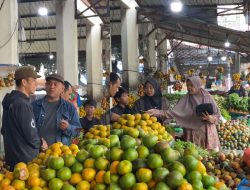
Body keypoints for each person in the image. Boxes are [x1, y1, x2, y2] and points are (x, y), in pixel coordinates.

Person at [148, 76, 220, 150]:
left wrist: (211, 118)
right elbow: (173, 113)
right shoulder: (185, 99)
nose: (189, 87)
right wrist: (156, 112)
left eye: (191, 85)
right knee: (192, 156)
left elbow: (217, 115)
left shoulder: (207, 97)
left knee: (209, 157)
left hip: (206, 133)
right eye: (188, 85)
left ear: (197, 85)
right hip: (191, 134)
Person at [2, 66, 48, 170]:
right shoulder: (22, 104)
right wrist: (41, 143)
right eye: (33, 80)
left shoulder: (10, 101)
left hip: (12, 158)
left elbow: (4, 130)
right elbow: (31, 135)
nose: (36, 83)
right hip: (25, 161)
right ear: (24, 82)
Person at [32, 74, 81, 146]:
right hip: (38, 153)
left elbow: (79, 132)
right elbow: (28, 131)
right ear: (45, 86)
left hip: (61, 153)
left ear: (62, 88)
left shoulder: (69, 108)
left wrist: (68, 127)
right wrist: (39, 141)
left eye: (55, 84)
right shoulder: (34, 105)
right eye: (49, 83)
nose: (52, 86)